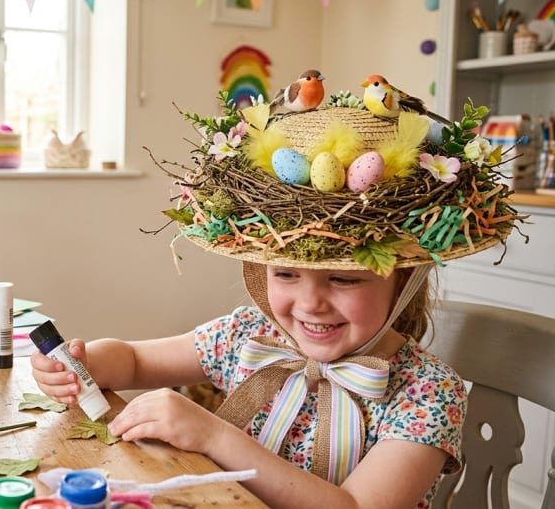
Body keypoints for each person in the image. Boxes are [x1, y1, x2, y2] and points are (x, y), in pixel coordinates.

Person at [32, 87, 526, 508]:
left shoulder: (427, 393)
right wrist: (84, 365)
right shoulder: (251, 335)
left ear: (402, 280)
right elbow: (137, 361)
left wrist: (212, 435)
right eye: (286, 274)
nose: (310, 303)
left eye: (343, 279)